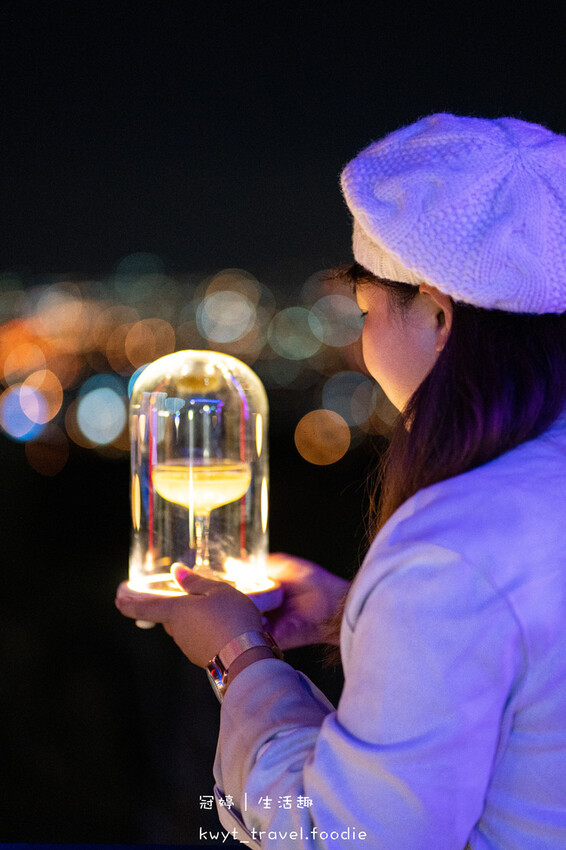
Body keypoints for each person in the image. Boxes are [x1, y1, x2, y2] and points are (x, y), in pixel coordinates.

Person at [116, 113, 566, 849]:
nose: (361, 344)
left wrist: (239, 658)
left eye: (366, 311)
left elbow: (345, 836)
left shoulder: (452, 541)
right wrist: (349, 614)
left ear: (438, 313)